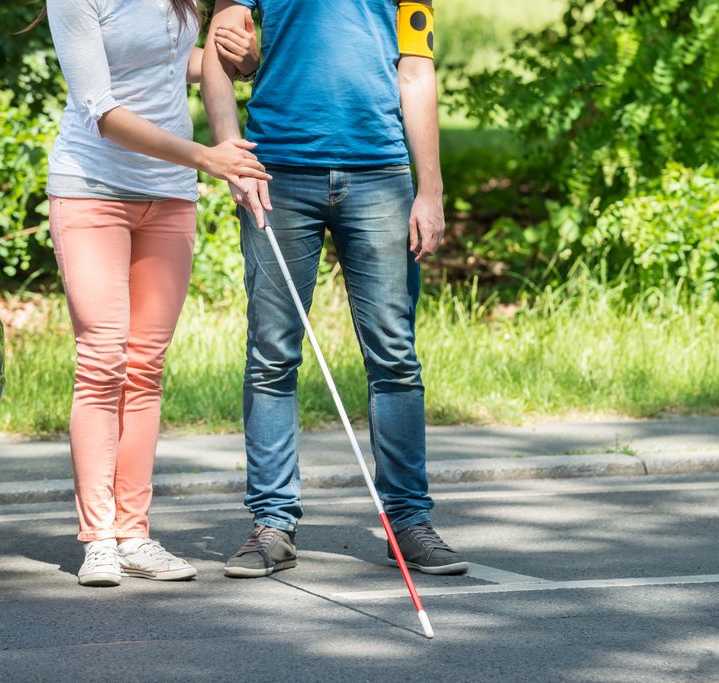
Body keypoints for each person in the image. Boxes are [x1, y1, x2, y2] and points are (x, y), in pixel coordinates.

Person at [202, 0, 468, 578]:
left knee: (395, 358)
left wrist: (431, 190)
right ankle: (272, 524)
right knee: (271, 356)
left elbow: (416, 70)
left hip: (381, 177)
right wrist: (230, 153)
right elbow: (220, 56)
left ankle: (409, 522)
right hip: (278, 173)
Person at [31, 0, 269, 587]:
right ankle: (99, 539)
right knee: (103, 359)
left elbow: (178, 60)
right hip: (91, 189)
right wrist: (206, 158)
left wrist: (237, 69)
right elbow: (103, 111)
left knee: (144, 367)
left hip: (168, 197)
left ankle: (134, 533)